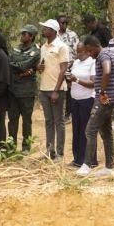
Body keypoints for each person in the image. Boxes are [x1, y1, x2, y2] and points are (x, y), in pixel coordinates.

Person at [36, 19, 71, 159]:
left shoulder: (62, 47)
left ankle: (60, 153)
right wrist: (39, 68)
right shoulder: (43, 47)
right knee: (49, 121)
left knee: (59, 121)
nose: (43, 30)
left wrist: (56, 90)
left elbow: (63, 70)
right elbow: (42, 67)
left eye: (46, 28)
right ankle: (50, 151)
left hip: (57, 90)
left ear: (53, 31)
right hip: (44, 89)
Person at [87, 31, 114, 173]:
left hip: (105, 99)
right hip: (109, 97)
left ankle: (87, 165)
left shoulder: (103, 55)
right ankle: (109, 167)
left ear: (95, 46)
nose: (89, 54)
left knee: (90, 130)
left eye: (89, 50)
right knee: (106, 132)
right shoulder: (103, 54)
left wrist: (102, 91)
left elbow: (107, 71)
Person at [7, 26, 40, 151]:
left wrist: (21, 68)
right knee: (12, 119)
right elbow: (9, 63)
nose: (21, 36)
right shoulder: (16, 48)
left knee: (26, 121)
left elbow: (25, 65)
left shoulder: (36, 50)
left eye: (24, 34)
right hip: (13, 90)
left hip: (27, 91)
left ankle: (26, 147)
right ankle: (11, 146)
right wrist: (20, 69)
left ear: (31, 36)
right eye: (21, 34)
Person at [68, 37, 99, 171]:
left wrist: (77, 80)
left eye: (81, 51)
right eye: (77, 52)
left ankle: (89, 160)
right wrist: (69, 80)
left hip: (87, 100)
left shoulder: (92, 63)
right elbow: (72, 80)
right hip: (75, 99)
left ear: (87, 51)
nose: (79, 54)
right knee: (76, 130)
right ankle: (77, 159)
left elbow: (93, 84)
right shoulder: (75, 63)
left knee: (86, 131)